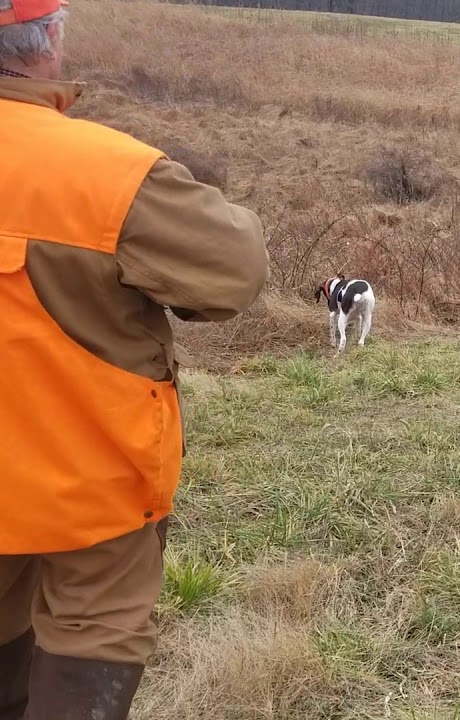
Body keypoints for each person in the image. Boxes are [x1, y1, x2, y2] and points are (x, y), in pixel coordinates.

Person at [0, 0, 268, 716]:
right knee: (94, 631)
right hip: (90, 487)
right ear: (50, 38)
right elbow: (234, 271)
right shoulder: (109, 173)